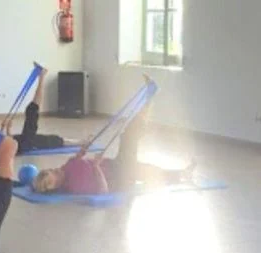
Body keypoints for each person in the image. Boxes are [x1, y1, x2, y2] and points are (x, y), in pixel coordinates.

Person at [32, 75, 196, 195]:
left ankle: (182, 174)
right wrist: (96, 167)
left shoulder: (66, 167)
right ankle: (150, 96)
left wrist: (83, 150)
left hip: (116, 166)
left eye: (48, 172)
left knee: (146, 168)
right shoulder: (75, 185)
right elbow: (104, 191)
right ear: (55, 187)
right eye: (50, 181)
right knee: (130, 137)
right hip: (120, 178)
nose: (53, 172)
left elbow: (79, 158)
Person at [0, 65, 82, 155]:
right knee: (32, 111)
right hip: (23, 144)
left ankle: (81, 142)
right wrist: (8, 130)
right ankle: (42, 76)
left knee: (52, 140)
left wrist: (3, 129)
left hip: (22, 140)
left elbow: (1, 140)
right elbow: (7, 146)